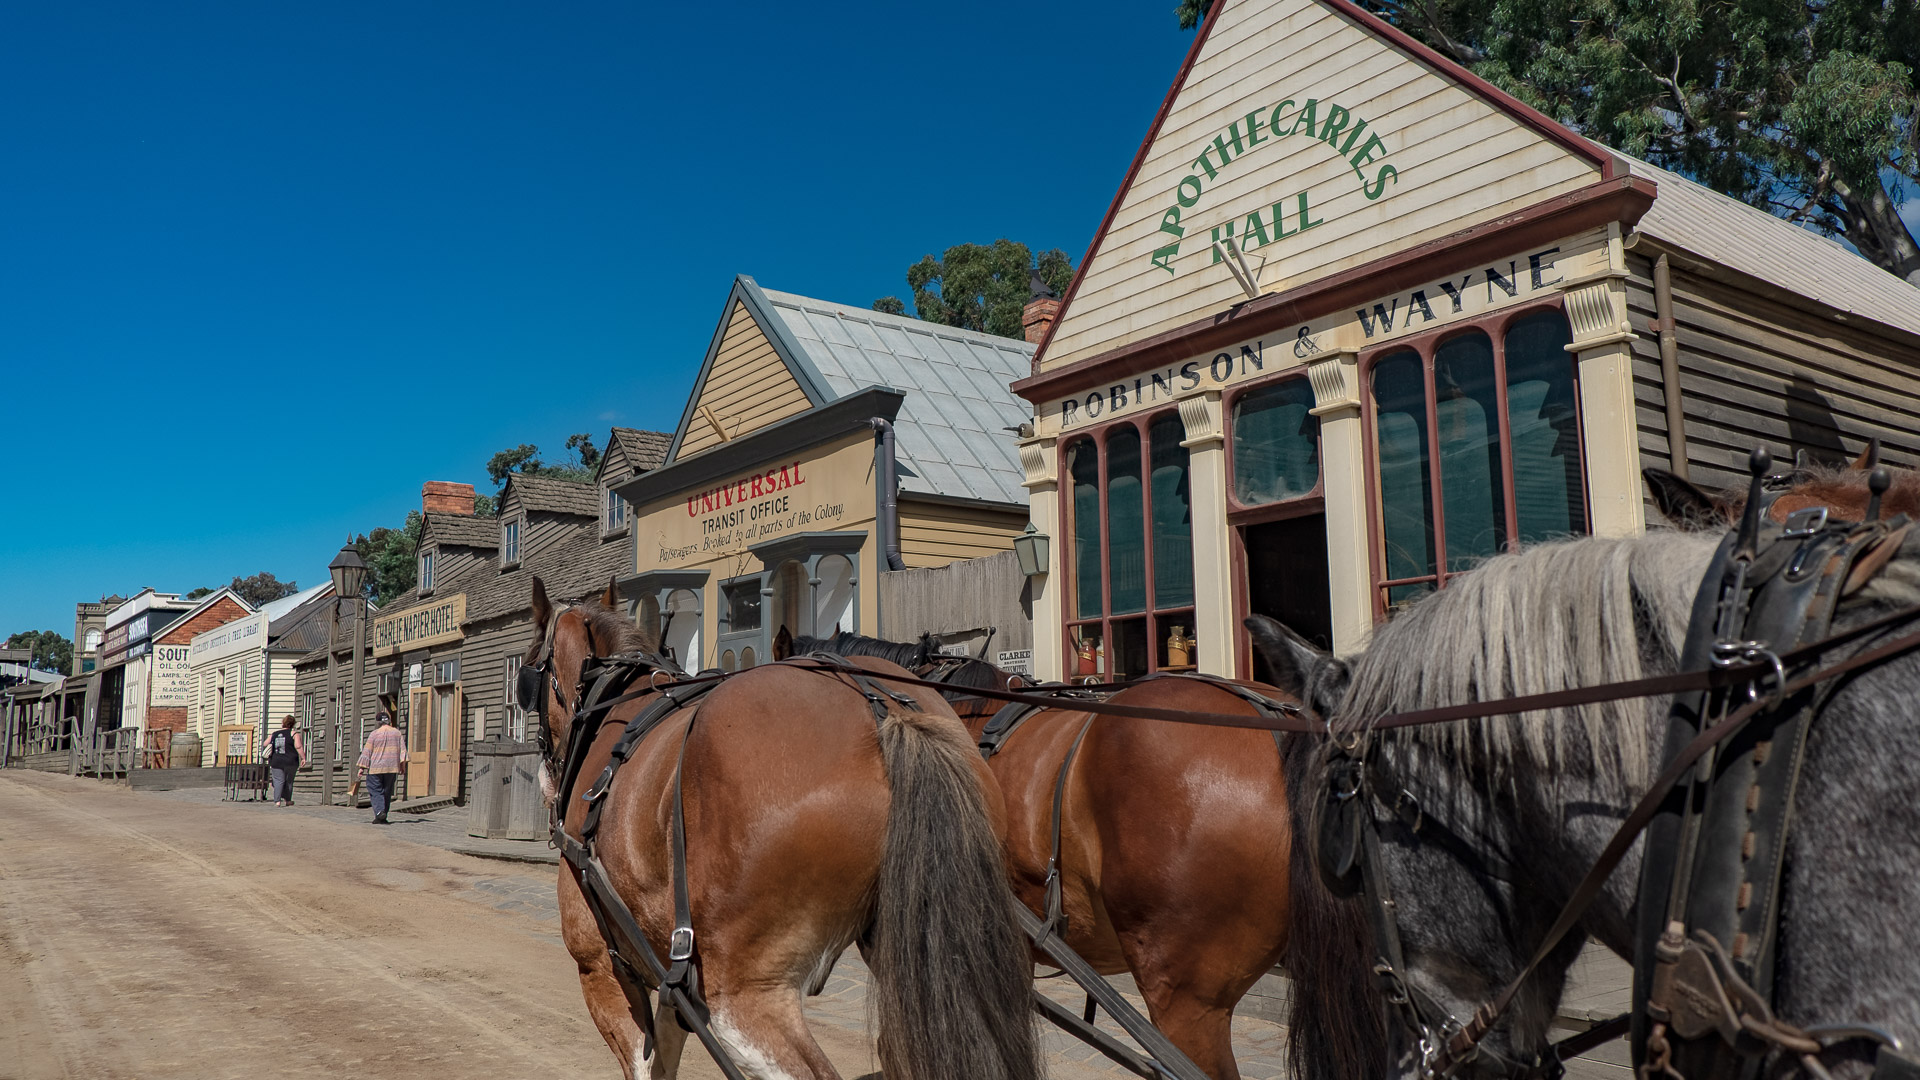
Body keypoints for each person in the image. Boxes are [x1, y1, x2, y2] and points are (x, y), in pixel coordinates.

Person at [356, 702, 408, 825]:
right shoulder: (397, 733)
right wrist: (403, 766)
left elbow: (367, 751)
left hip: (376, 767)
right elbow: (403, 751)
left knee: (375, 790)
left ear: (378, 722)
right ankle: (382, 816)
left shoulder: (374, 734)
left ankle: (380, 812)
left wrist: (362, 768)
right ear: (389, 721)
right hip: (391, 767)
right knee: (387, 791)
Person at [266, 715, 306, 807]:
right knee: (289, 781)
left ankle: (277, 801)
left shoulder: (274, 734)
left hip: (276, 761)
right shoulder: (294, 734)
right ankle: (288, 800)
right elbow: (298, 746)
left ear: (283, 723)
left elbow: (265, 743)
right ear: (293, 724)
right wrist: (303, 757)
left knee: (278, 780)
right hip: (291, 761)